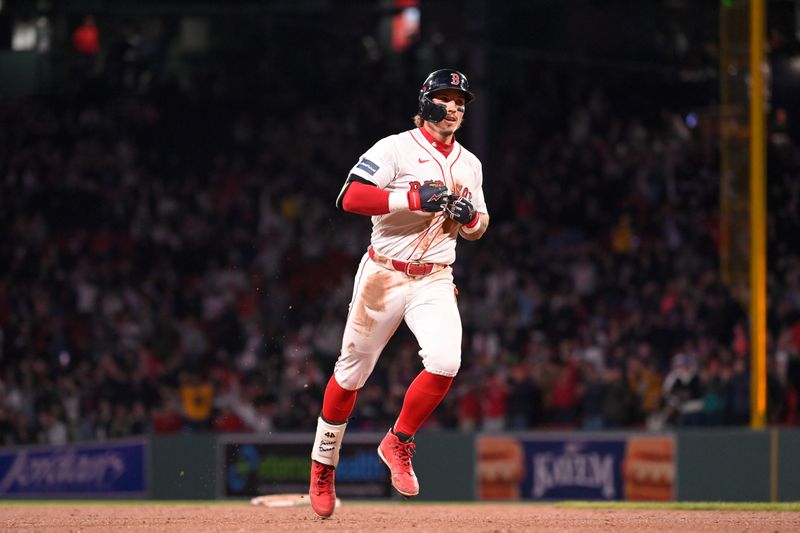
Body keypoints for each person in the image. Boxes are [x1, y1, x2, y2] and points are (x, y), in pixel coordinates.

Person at [308, 68, 490, 517]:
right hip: (384, 273)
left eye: (461, 101)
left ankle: (398, 441)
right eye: (447, 98)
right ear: (427, 101)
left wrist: (469, 219)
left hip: (434, 276)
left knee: (447, 361)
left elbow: (480, 227)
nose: (455, 108)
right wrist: (408, 198)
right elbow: (349, 198)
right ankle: (323, 465)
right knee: (351, 374)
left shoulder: (470, 163)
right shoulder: (394, 148)